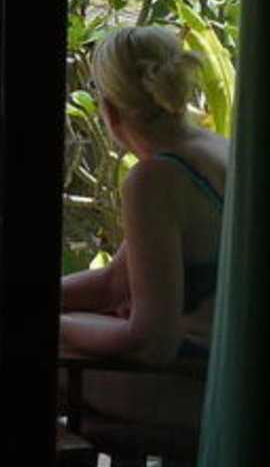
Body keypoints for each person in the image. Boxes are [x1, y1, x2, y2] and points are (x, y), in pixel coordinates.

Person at [60, 24, 229, 367]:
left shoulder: (155, 180)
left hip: (198, 378)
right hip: (233, 365)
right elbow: (114, 284)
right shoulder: (218, 148)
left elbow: (151, 343)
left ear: (109, 109)